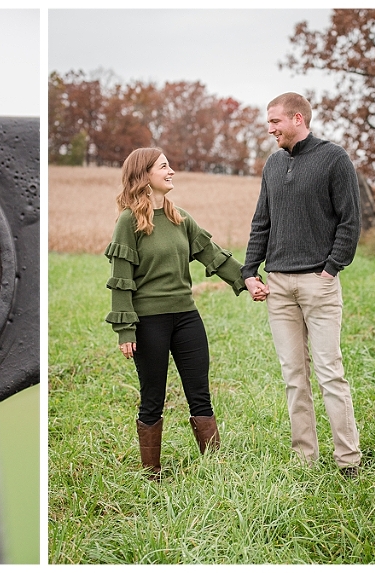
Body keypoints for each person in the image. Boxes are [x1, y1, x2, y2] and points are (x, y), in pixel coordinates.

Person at [104, 147, 247, 481]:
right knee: (152, 398)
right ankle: (151, 474)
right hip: (149, 322)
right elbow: (121, 280)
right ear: (144, 176)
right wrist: (125, 330)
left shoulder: (180, 218)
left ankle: (214, 469)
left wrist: (248, 280)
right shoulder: (128, 222)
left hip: (186, 317)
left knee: (200, 394)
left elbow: (213, 255)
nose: (171, 172)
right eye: (164, 167)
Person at [242, 92, 362, 477]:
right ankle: (304, 459)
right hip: (278, 287)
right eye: (268, 122)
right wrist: (250, 271)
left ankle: (348, 460)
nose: (270, 129)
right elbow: (261, 222)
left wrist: (330, 269)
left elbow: (350, 221)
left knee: (330, 374)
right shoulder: (273, 164)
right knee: (294, 378)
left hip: (318, 283)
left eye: (275, 121)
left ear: (298, 118)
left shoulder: (334, 159)